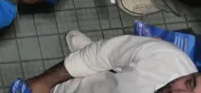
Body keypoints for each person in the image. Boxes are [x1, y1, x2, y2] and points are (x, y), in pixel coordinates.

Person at [23, 33, 199, 92]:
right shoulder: (165, 55)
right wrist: (44, 82)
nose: (177, 91)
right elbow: (99, 54)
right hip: (79, 89)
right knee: (105, 55)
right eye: (189, 83)